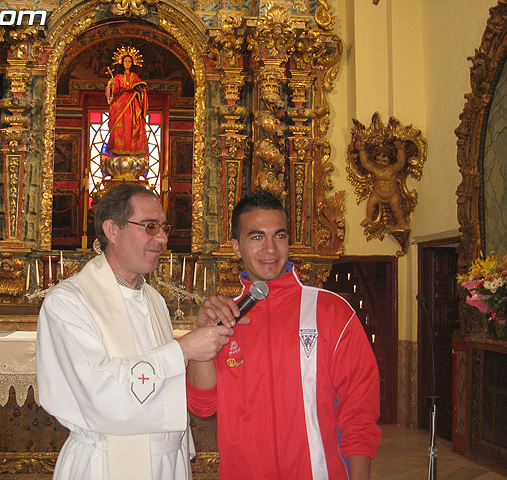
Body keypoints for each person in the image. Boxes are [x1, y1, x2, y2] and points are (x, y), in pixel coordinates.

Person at [36, 183, 235, 480]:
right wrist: (182, 351)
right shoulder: (67, 303)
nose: (163, 239)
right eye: (150, 227)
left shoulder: (152, 299)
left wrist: (198, 334)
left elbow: (164, 385)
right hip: (105, 464)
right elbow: (98, 394)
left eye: (164, 228)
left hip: (167, 462)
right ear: (112, 230)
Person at [186, 190, 381, 480]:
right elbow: (203, 407)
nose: (271, 249)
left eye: (279, 236)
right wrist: (204, 335)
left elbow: (359, 410)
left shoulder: (330, 312)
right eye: (256, 237)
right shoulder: (225, 320)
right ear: (236, 247)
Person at [355, 138, 408, 229]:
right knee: (371, 203)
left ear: (390, 160)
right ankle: (369, 218)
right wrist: (361, 150)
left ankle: (401, 223)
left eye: (384, 161)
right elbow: (365, 163)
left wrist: (400, 149)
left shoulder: (392, 169)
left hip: (392, 195)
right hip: (377, 194)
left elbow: (401, 163)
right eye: (378, 160)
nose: (380, 163)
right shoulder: (375, 170)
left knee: (396, 208)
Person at [105, 54, 149, 157]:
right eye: (125, 61)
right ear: (122, 63)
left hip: (133, 104)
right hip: (120, 104)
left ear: (132, 63)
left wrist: (140, 90)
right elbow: (113, 92)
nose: (127, 63)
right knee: (119, 125)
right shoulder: (118, 77)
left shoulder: (135, 76)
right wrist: (111, 84)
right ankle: (119, 147)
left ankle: (132, 147)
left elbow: (141, 88)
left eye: (129, 61)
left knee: (133, 124)